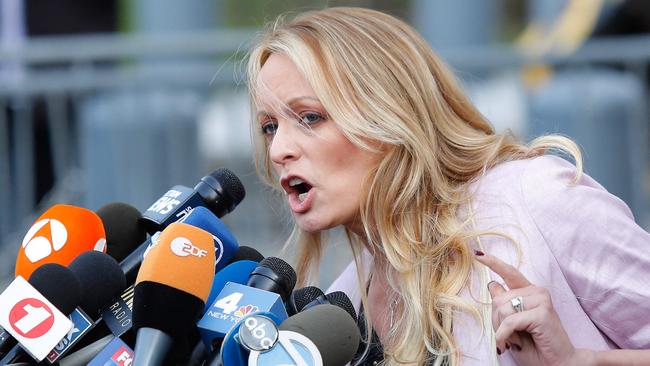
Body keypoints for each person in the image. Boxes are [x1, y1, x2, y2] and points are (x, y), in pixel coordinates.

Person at [245, 7, 650, 365]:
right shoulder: (348, 296)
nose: (278, 149)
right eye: (269, 127)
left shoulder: (537, 196)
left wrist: (582, 361)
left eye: (310, 117)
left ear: (388, 114)